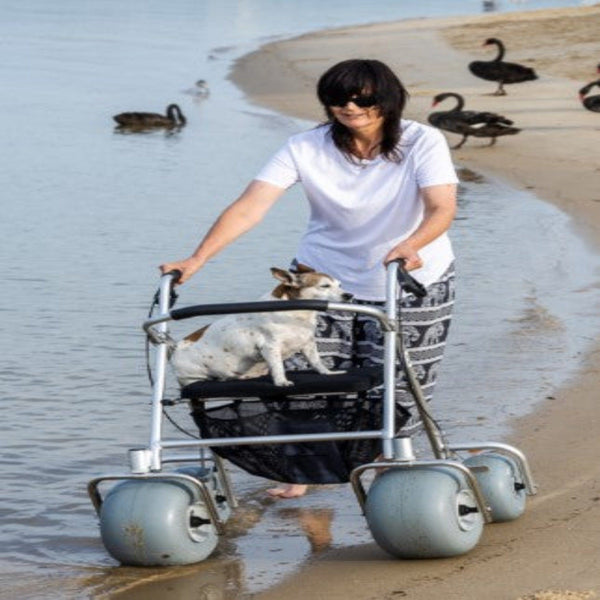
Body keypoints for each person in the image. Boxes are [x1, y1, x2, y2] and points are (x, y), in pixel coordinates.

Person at [161, 59, 458, 499]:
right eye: (338, 99)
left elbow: (441, 207)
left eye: (363, 98)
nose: (350, 106)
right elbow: (251, 207)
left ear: (389, 99)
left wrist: (412, 244)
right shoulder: (305, 146)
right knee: (302, 381)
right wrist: (198, 257)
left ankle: (389, 471)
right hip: (318, 283)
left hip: (410, 276)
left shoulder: (421, 141)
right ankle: (303, 470)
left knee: (399, 387)